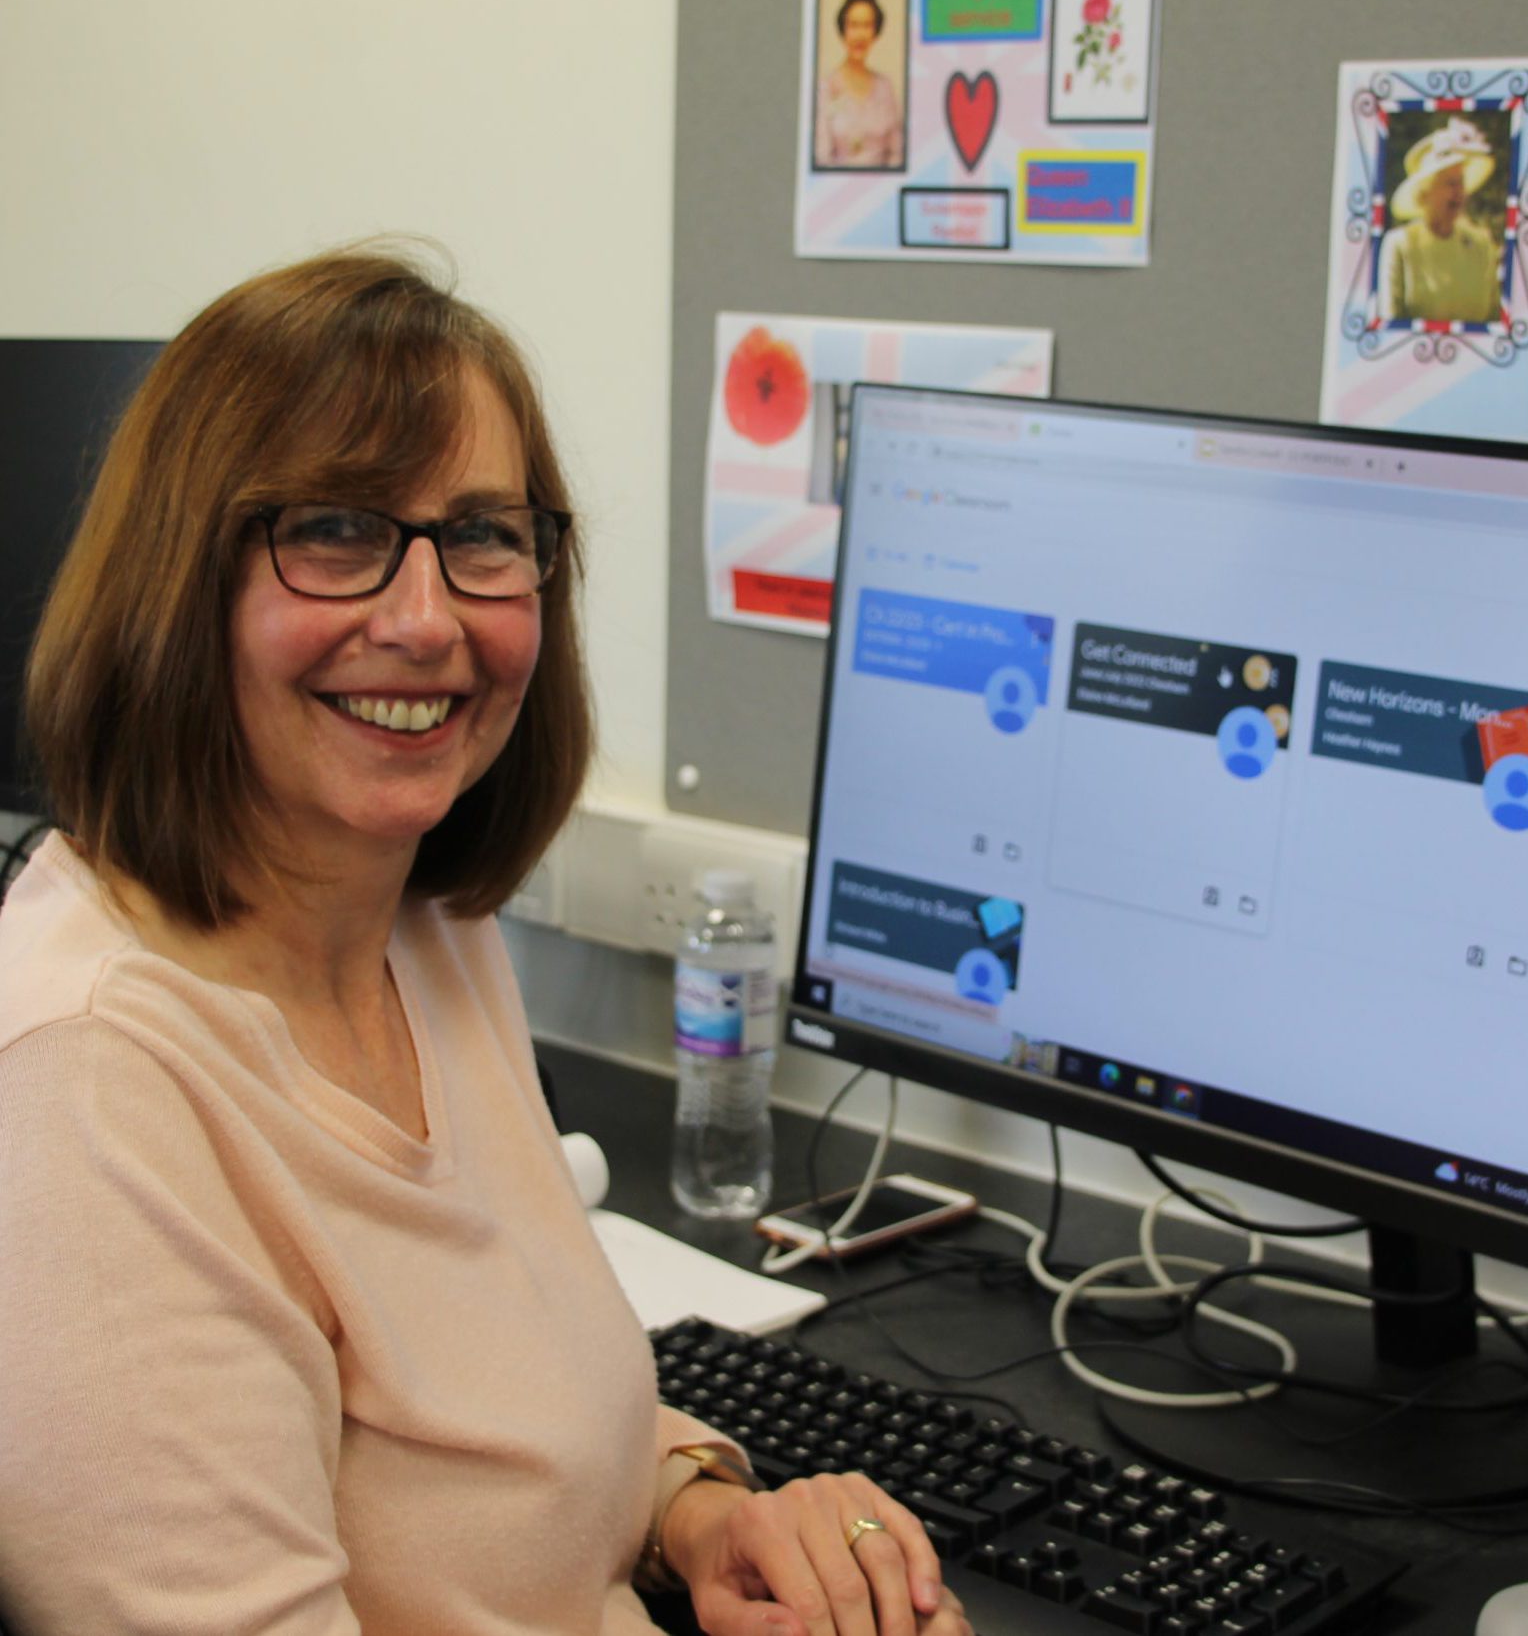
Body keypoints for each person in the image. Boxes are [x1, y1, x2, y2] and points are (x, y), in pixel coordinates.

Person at [0, 247, 968, 1636]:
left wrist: (703, 1508)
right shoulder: (95, 1096)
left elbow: (505, 1414)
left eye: (482, 534)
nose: (424, 615)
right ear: (176, 580)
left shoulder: (419, 922)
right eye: (332, 529)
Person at [1378, 116, 1503, 325]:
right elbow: (1390, 323)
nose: (1459, 192)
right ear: (1425, 194)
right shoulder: (1400, 244)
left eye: (1461, 183)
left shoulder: (1481, 243)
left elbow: (1495, 320)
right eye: (1449, 183)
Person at [814, 0, 904, 170]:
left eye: (867, 25)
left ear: (875, 32)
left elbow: (897, 152)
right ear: (843, 30)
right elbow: (822, 157)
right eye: (853, 25)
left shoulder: (885, 87)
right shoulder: (826, 88)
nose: (859, 35)